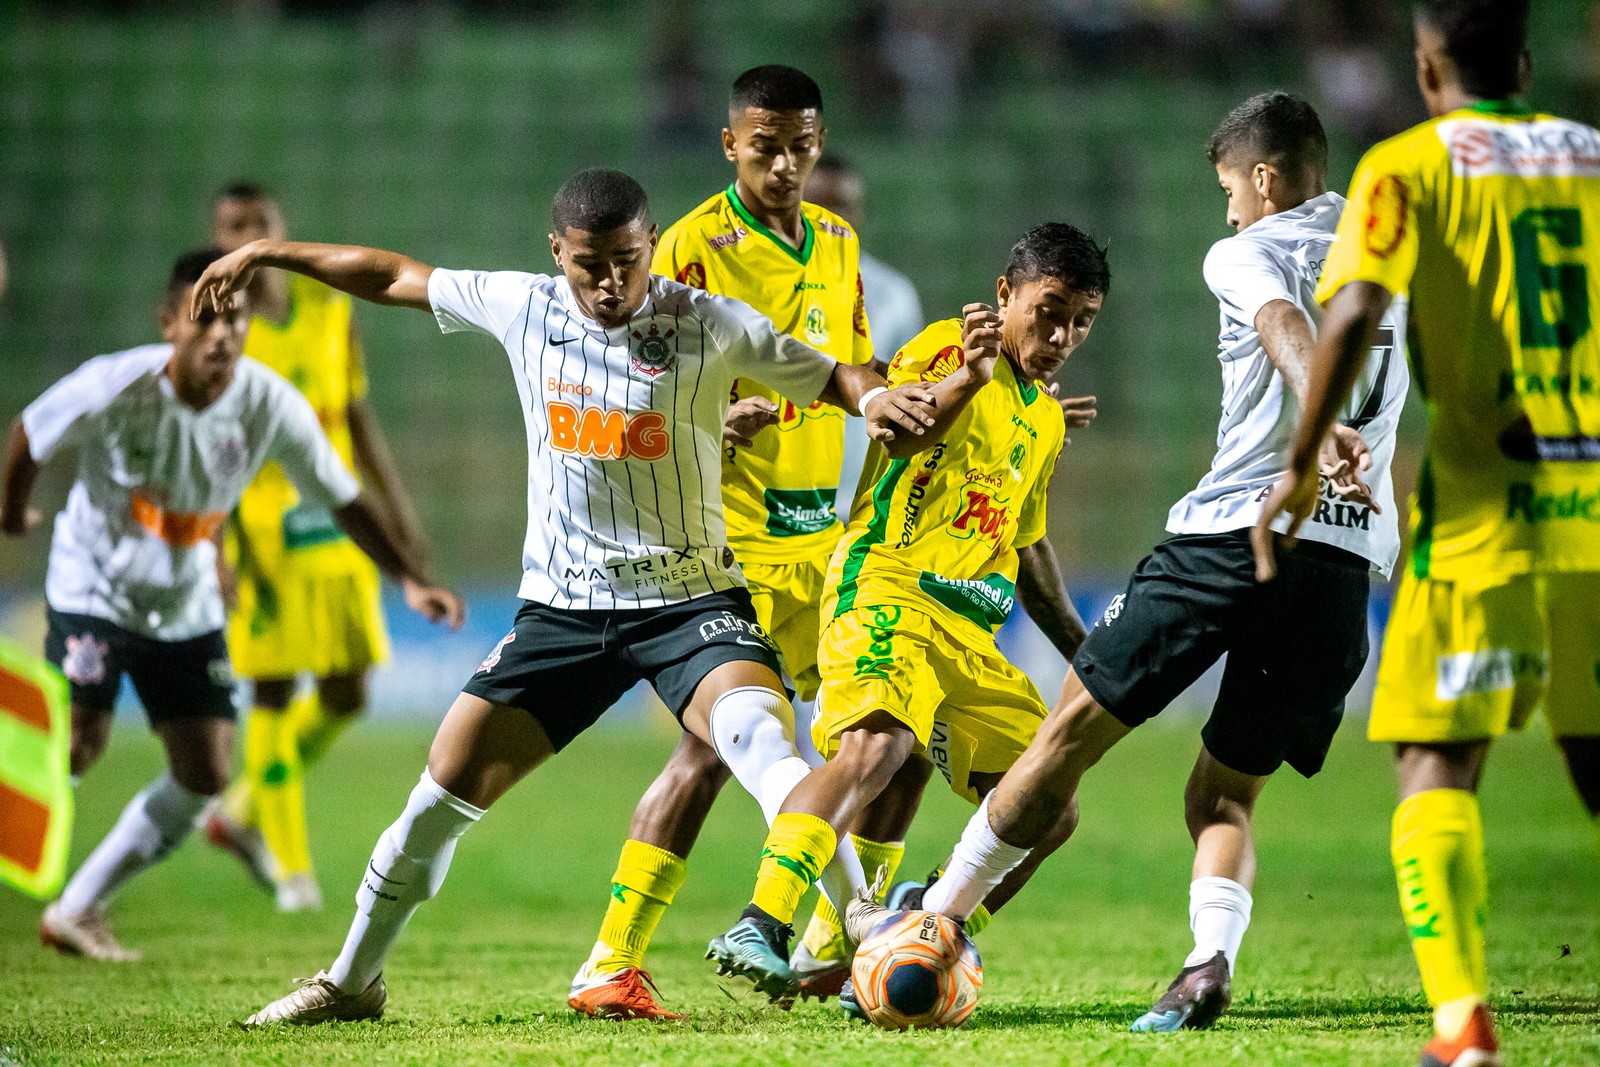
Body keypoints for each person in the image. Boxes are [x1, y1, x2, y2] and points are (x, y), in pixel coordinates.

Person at [201, 168, 937, 1026]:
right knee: (436, 800)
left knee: (758, 735)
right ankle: (351, 981)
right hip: (563, 609)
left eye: (627, 260)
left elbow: (828, 374)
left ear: (651, 245)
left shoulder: (704, 322)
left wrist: (878, 393)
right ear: (558, 253)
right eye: (590, 264)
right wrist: (267, 252)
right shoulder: (522, 306)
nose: (611, 282)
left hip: (690, 600)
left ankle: (855, 919)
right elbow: (393, 275)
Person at [845, 89, 1413, 1033]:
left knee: (1064, 737)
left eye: (1231, 188)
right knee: (1223, 792)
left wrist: (1323, 431)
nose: (1228, 209)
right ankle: (1205, 963)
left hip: (1237, 532)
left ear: (1263, 178)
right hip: (1345, 561)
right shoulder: (1383, 248)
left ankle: (928, 925)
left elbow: (1287, 329)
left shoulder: (1245, 250)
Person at [1253, 4, 1600, 1064]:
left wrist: (1305, 455)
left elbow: (1352, 312)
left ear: (1424, 65)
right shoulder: (1590, 155)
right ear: (1528, 65)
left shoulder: (1405, 165)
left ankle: (1461, 1026)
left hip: (1488, 507)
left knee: (1435, 759)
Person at [0, 249, 462, 962]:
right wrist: (9, 513)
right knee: (80, 741)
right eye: (204, 318)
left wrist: (406, 576)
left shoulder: (267, 401)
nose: (221, 334)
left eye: (234, 318)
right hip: (94, 586)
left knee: (206, 773)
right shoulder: (117, 383)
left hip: (185, 603)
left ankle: (77, 907)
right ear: (168, 324)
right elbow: (28, 432)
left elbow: (343, 495)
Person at [564, 66, 905, 1019]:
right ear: (730, 145)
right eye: (767, 147)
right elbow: (634, 386)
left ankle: (841, 943)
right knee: (711, 753)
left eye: (803, 146)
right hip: (729, 543)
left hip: (822, 538)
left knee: (882, 743)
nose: (789, 164)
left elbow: (853, 364)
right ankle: (614, 955)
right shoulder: (688, 246)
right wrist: (721, 418)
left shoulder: (838, 239)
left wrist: (890, 407)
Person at [708, 223, 1104, 1007]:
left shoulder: (1047, 420)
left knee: (1049, 804)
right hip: (887, 585)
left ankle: (927, 927)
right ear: (1005, 295)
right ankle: (764, 921)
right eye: (1048, 310)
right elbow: (896, 426)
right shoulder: (946, 350)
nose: (1061, 335)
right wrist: (970, 376)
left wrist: (1091, 654)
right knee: (878, 745)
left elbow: (1026, 546)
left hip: (968, 633)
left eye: (1081, 320)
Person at [203, 182, 431, 913]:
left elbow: (358, 417)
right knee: (271, 691)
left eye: (256, 224)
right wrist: (218, 549)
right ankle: (292, 872)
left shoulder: (330, 309)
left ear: (278, 229)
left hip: (337, 526)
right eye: (230, 226)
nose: (243, 236)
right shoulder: (220, 332)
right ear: (216, 241)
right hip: (260, 533)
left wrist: (396, 513)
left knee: (348, 690)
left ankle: (238, 811)